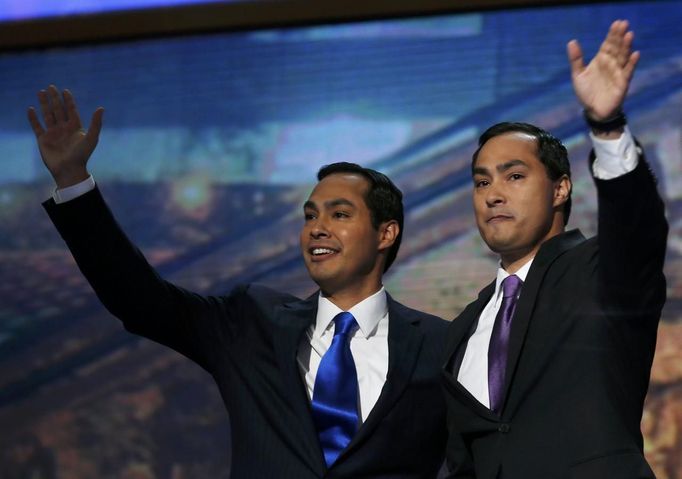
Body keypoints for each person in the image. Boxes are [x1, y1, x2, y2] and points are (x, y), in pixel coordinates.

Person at [28, 86, 448, 478]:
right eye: (310, 215)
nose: (317, 228)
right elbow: (138, 299)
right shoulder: (252, 322)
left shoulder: (443, 345)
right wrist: (73, 183)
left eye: (339, 215)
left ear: (385, 234)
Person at [442, 20, 667, 478]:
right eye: (482, 181)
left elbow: (636, 226)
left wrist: (606, 127)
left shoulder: (601, 273)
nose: (493, 193)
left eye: (514, 176)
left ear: (561, 188)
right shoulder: (464, 327)